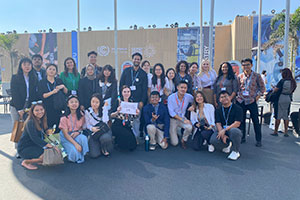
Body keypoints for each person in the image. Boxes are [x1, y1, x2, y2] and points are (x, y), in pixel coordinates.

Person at [18, 101, 59, 170]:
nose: (40, 112)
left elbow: (43, 133)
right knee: (48, 155)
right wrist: (49, 145)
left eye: (41, 109)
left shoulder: (41, 120)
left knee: (51, 154)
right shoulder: (30, 122)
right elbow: (34, 138)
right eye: (36, 110)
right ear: (32, 111)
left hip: (35, 145)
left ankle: (38, 158)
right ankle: (26, 162)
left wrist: (48, 131)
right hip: (25, 148)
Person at [10, 58, 38, 157]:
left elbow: (34, 93)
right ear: (21, 66)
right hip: (17, 106)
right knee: (18, 127)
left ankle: (25, 148)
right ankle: (18, 149)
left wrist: (33, 106)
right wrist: (19, 109)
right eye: (25, 64)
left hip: (29, 107)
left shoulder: (34, 77)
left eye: (29, 64)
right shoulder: (15, 77)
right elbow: (15, 94)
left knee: (27, 128)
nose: (27, 66)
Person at [236, 58, 265, 146]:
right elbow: (237, 88)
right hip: (241, 101)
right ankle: (242, 137)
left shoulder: (257, 76)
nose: (246, 67)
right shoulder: (239, 76)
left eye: (248, 65)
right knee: (241, 120)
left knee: (255, 121)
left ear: (251, 65)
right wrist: (238, 96)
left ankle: (258, 140)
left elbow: (262, 88)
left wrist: (257, 97)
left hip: (252, 101)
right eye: (244, 65)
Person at [119, 52, 147, 137]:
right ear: (132, 60)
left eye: (138, 59)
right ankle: (125, 137)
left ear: (140, 61)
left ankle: (135, 137)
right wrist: (121, 98)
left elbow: (144, 89)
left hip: (137, 101)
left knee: (136, 120)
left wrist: (142, 101)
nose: (136, 60)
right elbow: (121, 84)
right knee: (124, 119)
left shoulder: (143, 73)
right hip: (126, 100)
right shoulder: (126, 71)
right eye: (135, 59)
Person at [210, 91, 243, 161]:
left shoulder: (237, 108)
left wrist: (224, 130)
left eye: (226, 96)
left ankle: (236, 151)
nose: (224, 98)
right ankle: (226, 145)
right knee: (213, 140)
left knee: (235, 131)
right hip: (222, 129)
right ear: (219, 100)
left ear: (230, 97)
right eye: (222, 97)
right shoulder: (218, 110)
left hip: (232, 129)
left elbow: (237, 123)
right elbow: (218, 123)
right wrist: (222, 133)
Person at [38, 64, 67, 132]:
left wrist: (63, 86)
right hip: (47, 108)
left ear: (56, 72)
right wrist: (52, 92)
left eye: (54, 69)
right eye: (50, 69)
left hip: (58, 108)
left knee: (57, 127)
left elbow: (66, 92)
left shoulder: (58, 80)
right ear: (46, 71)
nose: (52, 71)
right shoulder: (42, 82)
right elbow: (42, 95)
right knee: (48, 128)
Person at [59, 95, 89, 163]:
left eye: (76, 102)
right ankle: (69, 151)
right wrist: (76, 144)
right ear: (68, 104)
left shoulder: (81, 115)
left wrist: (78, 132)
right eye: (71, 102)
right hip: (66, 137)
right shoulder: (64, 117)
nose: (74, 104)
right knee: (74, 153)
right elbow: (66, 134)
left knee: (83, 138)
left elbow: (82, 128)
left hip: (76, 134)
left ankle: (82, 153)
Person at [111, 86, 139, 151]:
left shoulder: (132, 102)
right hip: (118, 124)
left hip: (127, 125)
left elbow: (134, 117)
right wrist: (117, 112)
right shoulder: (117, 101)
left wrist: (137, 113)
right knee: (127, 139)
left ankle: (118, 141)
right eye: (124, 92)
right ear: (122, 93)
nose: (126, 93)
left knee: (133, 146)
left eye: (128, 92)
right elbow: (111, 115)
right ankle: (117, 141)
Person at [270, 68, 297, 137]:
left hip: (281, 98)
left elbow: (276, 90)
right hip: (288, 98)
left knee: (278, 115)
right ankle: (286, 131)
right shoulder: (293, 82)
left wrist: (273, 89)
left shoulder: (282, 81)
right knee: (285, 115)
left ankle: (275, 131)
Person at [167, 81, 194, 148]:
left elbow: (195, 101)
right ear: (177, 88)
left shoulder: (188, 96)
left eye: (185, 88)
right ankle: (176, 133)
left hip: (182, 118)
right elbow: (171, 113)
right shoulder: (171, 97)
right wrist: (183, 120)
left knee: (189, 127)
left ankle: (183, 140)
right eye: (181, 87)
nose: (183, 89)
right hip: (173, 119)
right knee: (174, 143)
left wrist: (193, 106)